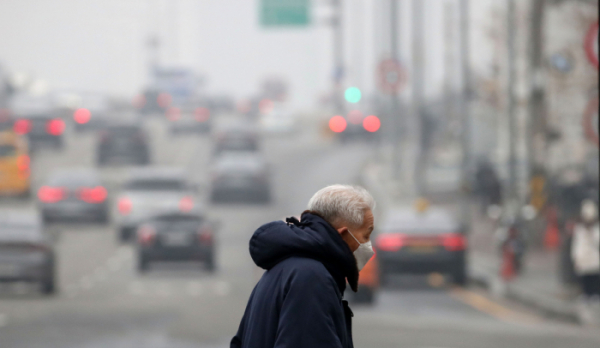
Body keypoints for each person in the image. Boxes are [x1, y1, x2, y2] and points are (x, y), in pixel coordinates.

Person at [230, 185, 375, 348]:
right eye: (366, 236)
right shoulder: (311, 278)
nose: (368, 245)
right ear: (343, 234)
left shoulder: (282, 270)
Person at [571, 199, 600, 299]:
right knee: (585, 278)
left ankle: (595, 294)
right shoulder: (579, 229)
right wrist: (575, 256)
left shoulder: (596, 229)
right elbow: (576, 244)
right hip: (583, 257)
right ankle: (586, 294)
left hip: (594, 257)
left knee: (594, 277)